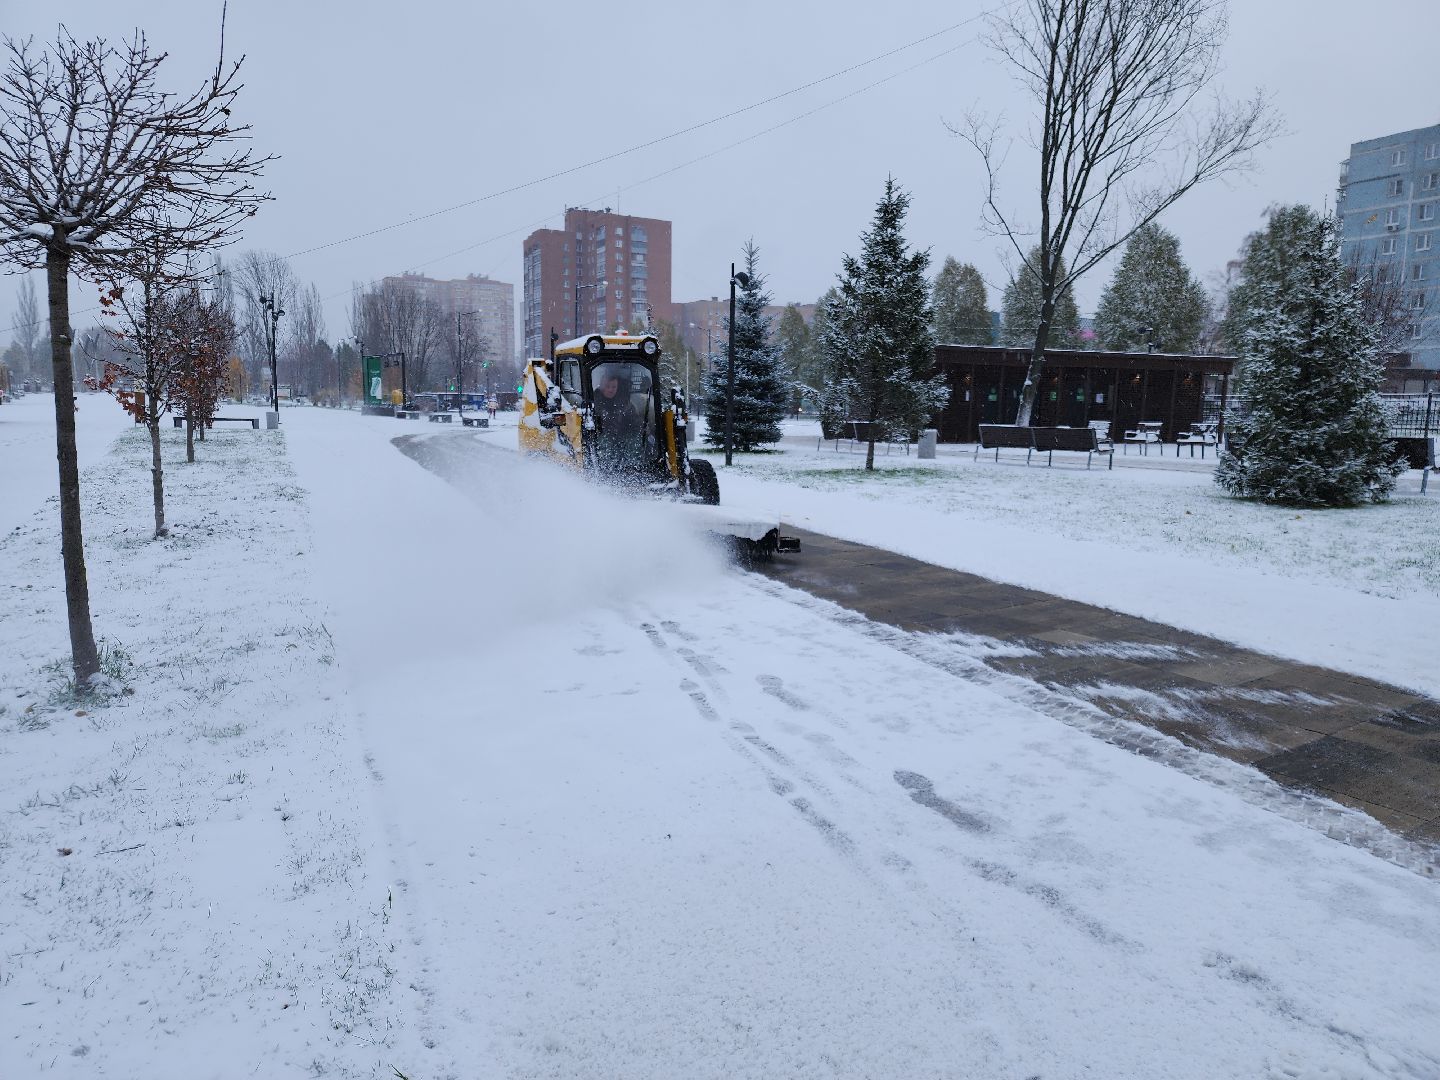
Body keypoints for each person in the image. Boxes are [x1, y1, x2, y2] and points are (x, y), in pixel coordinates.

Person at [591, 368, 645, 475]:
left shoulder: (624, 403)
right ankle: (606, 471)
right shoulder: (594, 403)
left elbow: (634, 420)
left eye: (614, 387)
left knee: (634, 441)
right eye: (608, 386)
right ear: (601, 386)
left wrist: (640, 427)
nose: (611, 390)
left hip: (621, 437)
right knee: (605, 443)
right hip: (602, 438)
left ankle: (632, 469)